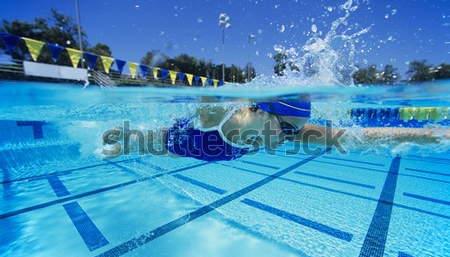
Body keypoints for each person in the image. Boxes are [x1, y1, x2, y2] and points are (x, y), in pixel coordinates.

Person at [101, 100, 448, 160]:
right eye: (285, 128)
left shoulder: (286, 129)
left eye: (291, 132)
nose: (287, 138)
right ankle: (122, 138)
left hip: (209, 151)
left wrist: (425, 133)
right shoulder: (218, 112)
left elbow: (357, 137)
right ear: (261, 112)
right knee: (138, 144)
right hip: (176, 141)